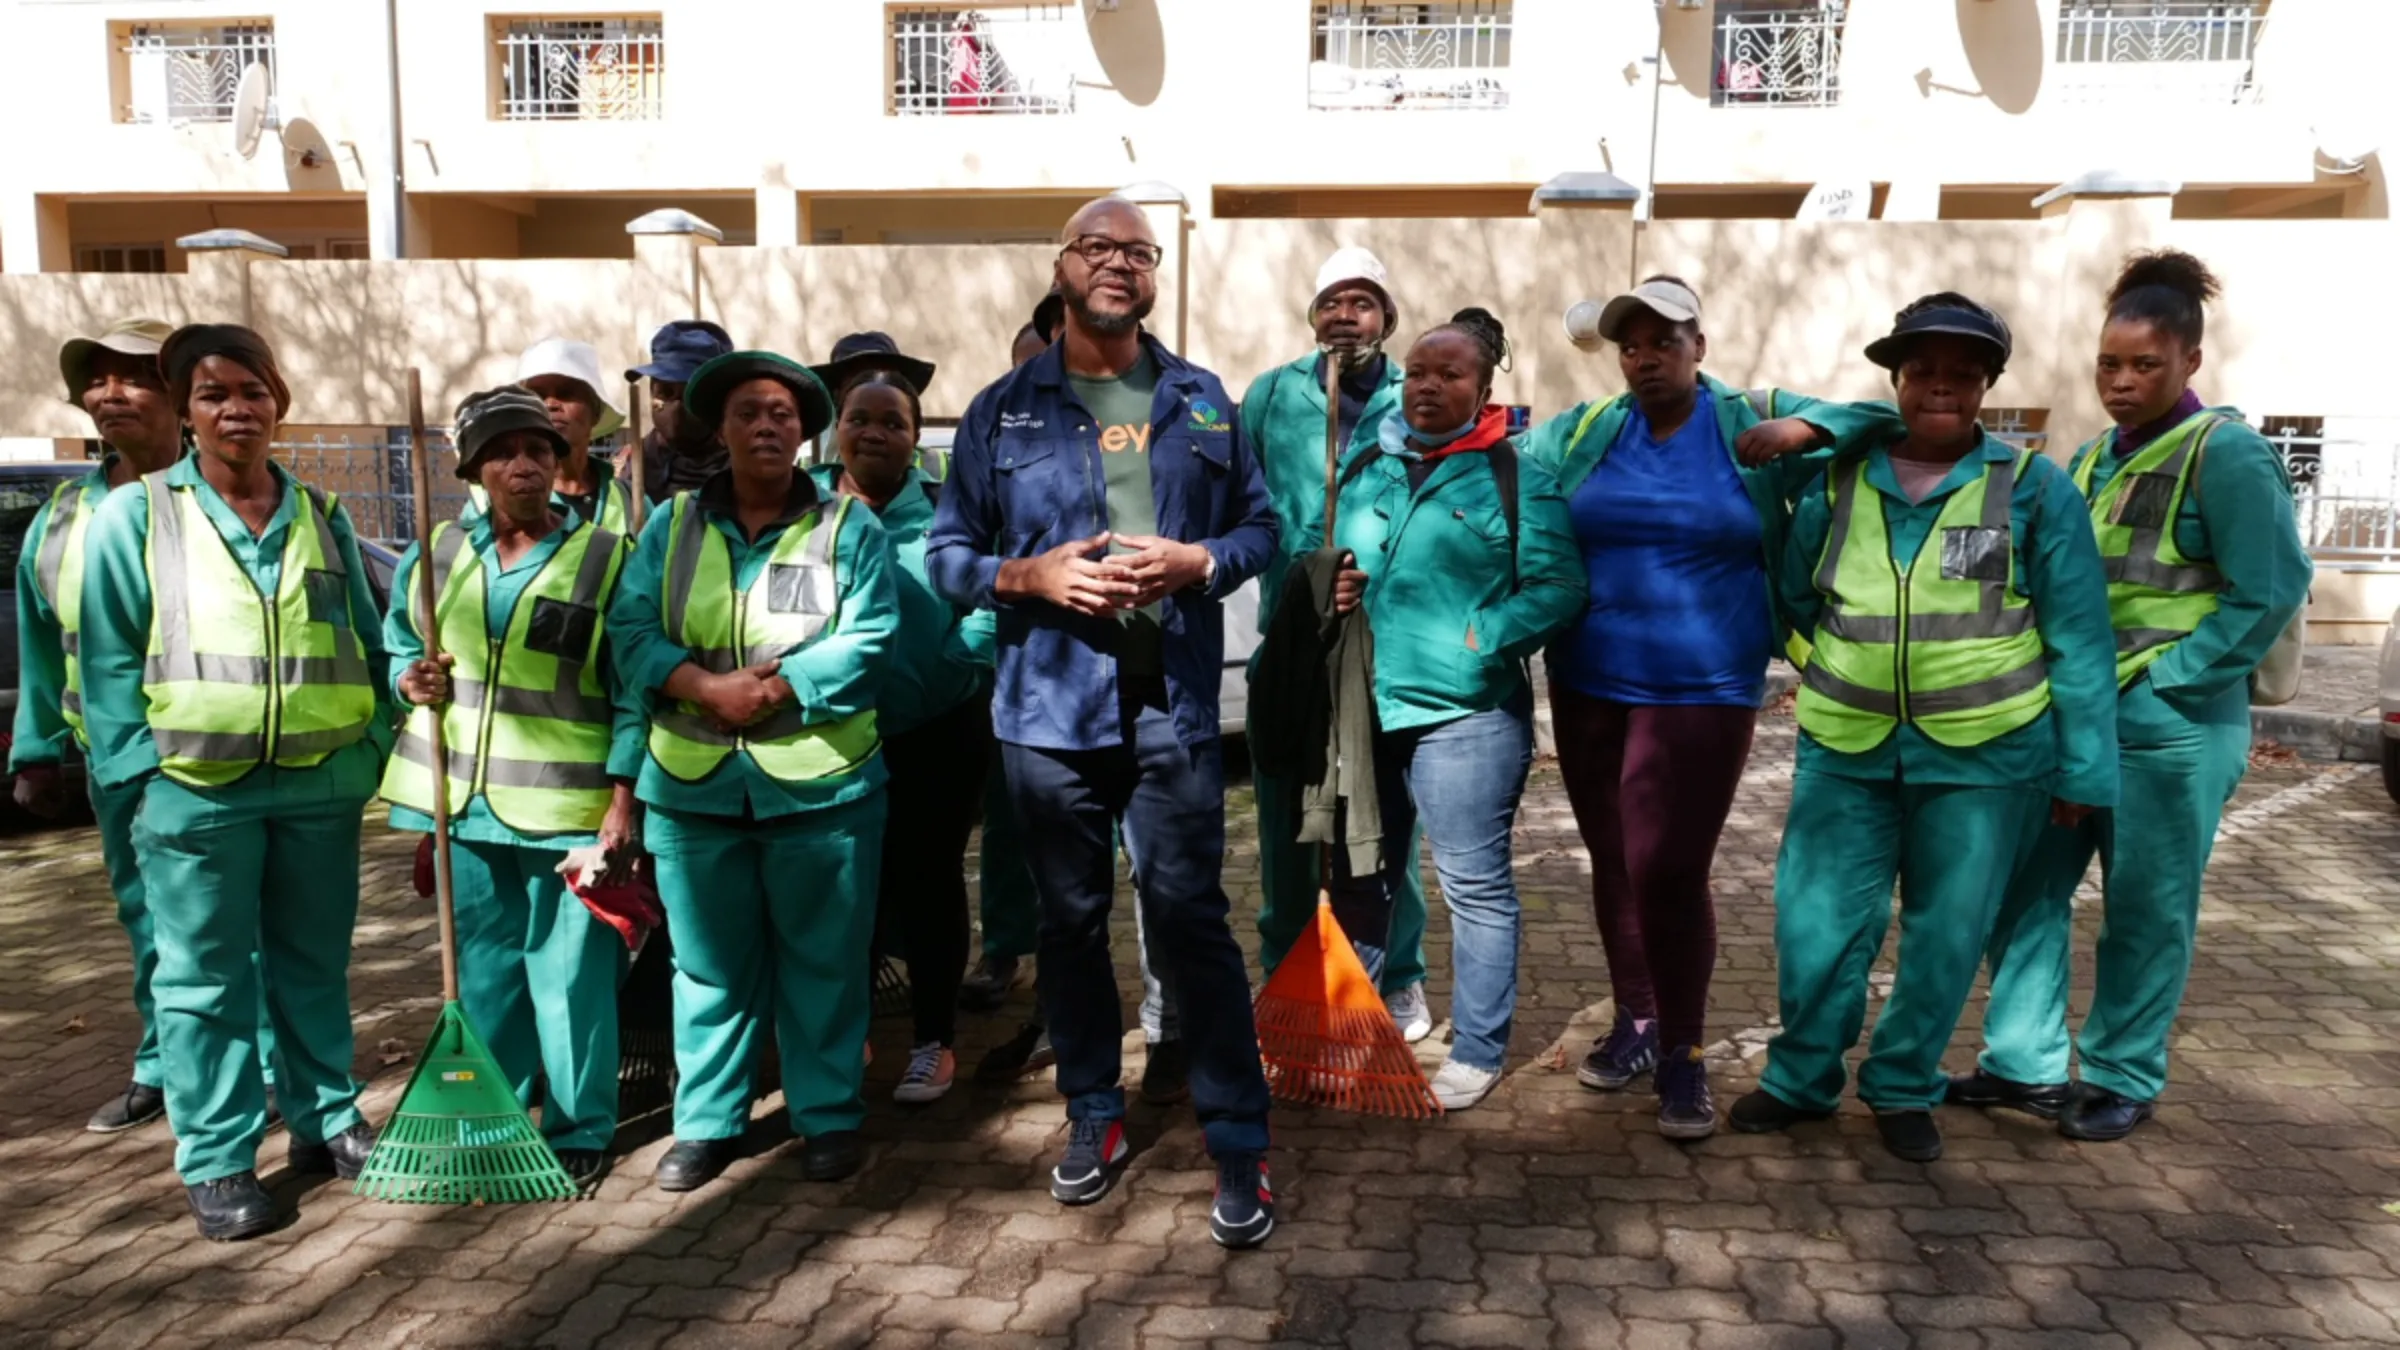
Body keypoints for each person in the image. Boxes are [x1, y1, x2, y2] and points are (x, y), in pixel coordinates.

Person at [928, 195, 1278, 1248]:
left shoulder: (1201, 400)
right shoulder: (1002, 410)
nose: (1119, 264)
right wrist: (1025, 573)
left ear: (1155, 274)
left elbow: (1262, 526)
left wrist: (1201, 561)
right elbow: (947, 560)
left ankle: (1238, 1134)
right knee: (1069, 926)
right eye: (1098, 247)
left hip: (1169, 709)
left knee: (1190, 920)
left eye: (1138, 250)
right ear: (1063, 268)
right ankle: (1093, 1112)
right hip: (1045, 716)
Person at [1728, 295, 2118, 1163]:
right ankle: (1801, 1080)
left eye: (1962, 372)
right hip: (1846, 748)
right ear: (1896, 381)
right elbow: (1793, 593)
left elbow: (2080, 636)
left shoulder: (2033, 488)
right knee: (1817, 922)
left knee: (1947, 933)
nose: (1941, 385)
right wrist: (1823, 664)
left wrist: (2084, 770)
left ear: (1987, 385)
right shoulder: (1838, 478)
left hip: (1988, 758)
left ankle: (1903, 1086)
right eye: (1923, 370)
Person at [1523, 276, 1904, 1139]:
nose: (1645, 358)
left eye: (1664, 341)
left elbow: (1886, 419)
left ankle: (1683, 1057)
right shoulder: (1590, 429)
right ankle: (1637, 1022)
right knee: (1612, 861)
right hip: (1587, 680)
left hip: (1703, 687)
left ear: (1700, 344)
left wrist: (1806, 428)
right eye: (1631, 345)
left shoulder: (1746, 418)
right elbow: (1503, 463)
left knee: (1668, 869)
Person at [1957, 252, 2311, 1141]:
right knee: (2025, 891)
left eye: (2144, 365)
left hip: (2170, 729)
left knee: (2147, 909)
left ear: (2190, 360)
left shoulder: (2224, 454)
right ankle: (2023, 1062)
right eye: (2109, 364)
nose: (2121, 381)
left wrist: (2168, 681)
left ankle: (2120, 1074)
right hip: (2076, 721)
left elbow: (2268, 589)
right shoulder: (2084, 461)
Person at [77, 324, 392, 1240]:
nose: (236, 409)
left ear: (279, 401)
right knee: (203, 982)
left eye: (252, 390)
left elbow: (369, 647)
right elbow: (104, 665)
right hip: (195, 792)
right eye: (213, 394)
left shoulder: (321, 516)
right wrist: (143, 779)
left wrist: (364, 753)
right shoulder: (135, 517)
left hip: (320, 788)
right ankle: (216, 1159)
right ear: (184, 410)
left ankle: (325, 1118)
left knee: (312, 967)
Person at [608, 350, 899, 1193]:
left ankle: (828, 1115)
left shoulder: (849, 529)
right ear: (721, 430)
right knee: (707, 968)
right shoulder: (669, 528)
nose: (765, 425)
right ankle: (709, 1123)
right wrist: (702, 687)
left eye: (781, 412)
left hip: (821, 788)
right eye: (746, 412)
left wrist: (778, 689)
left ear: (806, 431)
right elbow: (630, 630)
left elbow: (870, 635)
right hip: (695, 788)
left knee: (825, 961)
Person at [13, 317, 278, 1136]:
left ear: (180, 395)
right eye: (95, 379)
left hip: (223, 758)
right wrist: (36, 748)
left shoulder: (229, 499)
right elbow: (41, 643)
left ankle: (263, 1072)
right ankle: (166, 1064)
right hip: (120, 761)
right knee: (150, 919)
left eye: (131, 376)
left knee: (246, 924)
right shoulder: (64, 514)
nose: (107, 393)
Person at [1316, 309, 1584, 1110]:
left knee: (1473, 886)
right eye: (1417, 373)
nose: (1429, 386)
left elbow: (1562, 587)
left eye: (1449, 373)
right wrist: (1328, 582)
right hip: (1365, 709)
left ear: (1484, 386)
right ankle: (1350, 1028)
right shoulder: (1366, 461)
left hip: (1466, 717)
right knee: (1361, 876)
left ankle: (1476, 1048)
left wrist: (1484, 636)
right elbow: (1321, 548)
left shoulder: (1517, 476)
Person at [379, 385, 643, 1187]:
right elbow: (395, 645)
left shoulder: (606, 557)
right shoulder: (440, 556)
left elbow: (633, 689)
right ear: (474, 469)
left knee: (570, 979)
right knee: (486, 976)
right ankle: (494, 1111)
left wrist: (623, 802)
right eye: (502, 451)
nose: (523, 464)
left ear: (561, 461)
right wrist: (407, 678)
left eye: (538, 449)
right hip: (461, 806)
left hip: (568, 809)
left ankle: (580, 1125)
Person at [1240, 247, 1434, 1042]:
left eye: (1362, 302)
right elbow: (1246, 504)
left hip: (1386, 648)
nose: (1344, 315)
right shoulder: (1271, 394)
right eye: (1331, 301)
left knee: (1386, 823)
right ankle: (1285, 967)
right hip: (1290, 644)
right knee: (1287, 818)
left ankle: (1403, 974)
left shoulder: (1413, 393)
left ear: (1386, 317)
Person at [804, 348, 988, 1103]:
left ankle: (934, 1040)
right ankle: (845, 1034)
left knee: (930, 882)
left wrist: (956, 664)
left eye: (893, 422)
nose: (874, 433)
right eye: (860, 419)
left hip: (937, 732)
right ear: (837, 430)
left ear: (918, 436)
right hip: (831, 734)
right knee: (839, 891)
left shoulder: (953, 508)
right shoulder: (806, 507)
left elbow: (990, 603)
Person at [485, 337, 636, 533]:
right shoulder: (496, 499)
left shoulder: (630, 501)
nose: (551, 404)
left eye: (566, 393)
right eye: (538, 395)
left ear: (595, 412)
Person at [627, 319, 737, 505]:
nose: (677, 407)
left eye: (690, 394)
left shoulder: (745, 469)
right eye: (666, 392)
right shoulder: (632, 465)